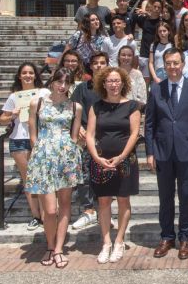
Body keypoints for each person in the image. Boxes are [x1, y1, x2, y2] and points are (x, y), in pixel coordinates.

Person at [145, 48, 188, 260]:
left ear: (183, 64)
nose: (172, 67)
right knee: (165, 198)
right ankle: (166, 237)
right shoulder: (156, 89)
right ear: (164, 65)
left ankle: (185, 239)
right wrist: (150, 152)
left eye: (176, 63)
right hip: (163, 152)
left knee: (186, 197)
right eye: (168, 63)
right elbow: (150, 123)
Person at [27, 68, 83, 269]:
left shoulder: (75, 106)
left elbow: (74, 136)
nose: (62, 86)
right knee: (50, 210)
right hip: (43, 157)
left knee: (65, 204)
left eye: (67, 83)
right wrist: (38, 153)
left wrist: (71, 153)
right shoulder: (37, 103)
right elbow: (32, 134)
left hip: (66, 158)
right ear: (52, 82)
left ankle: (58, 248)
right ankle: (50, 245)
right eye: (59, 81)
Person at [86, 67, 141, 264]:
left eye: (117, 80)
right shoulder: (96, 106)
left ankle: (119, 241)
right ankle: (106, 242)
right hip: (101, 161)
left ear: (123, 83)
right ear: (103, 83)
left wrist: (121, 156)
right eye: (110, 81)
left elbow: (135, 134)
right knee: (103, 201)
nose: (114, 84)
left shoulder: (132, 106)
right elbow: (90, 135)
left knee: (123, 200)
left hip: (124, 161)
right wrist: (96, 157)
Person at [0, 62, 47, 230]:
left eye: (31, 73)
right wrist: (12, 115)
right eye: (25, 73)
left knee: (42, 177)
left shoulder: (44, 92)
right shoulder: (14, 96)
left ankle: (46, 214)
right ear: (19, 76)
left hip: (41, 137)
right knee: (29, 180)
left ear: (36, 75)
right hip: (19, 139)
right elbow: (2, 119)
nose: (28, 76)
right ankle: (36, 216)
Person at [69, 52, 108, 230]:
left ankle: (104, 212)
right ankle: (88, 211)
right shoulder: (82, 89)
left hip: (107, 138)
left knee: (105, 176)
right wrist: (80, 130)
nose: (99, 66)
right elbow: (73, 110)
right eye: (96, 63)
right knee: (85, 175)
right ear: (90, 66)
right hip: (85, 139)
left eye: (102, 63)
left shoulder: (112, 86)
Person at [135, 0, 163, 84]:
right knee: (145, 82)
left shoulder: (162, 22)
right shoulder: (143, 19)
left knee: (157, 81)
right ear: (151, 7)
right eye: (155, 6)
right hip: (144, 54)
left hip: (157, 55)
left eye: (159, 7)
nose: (156, 9)